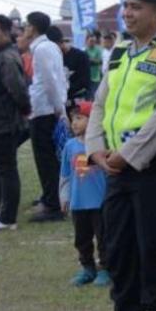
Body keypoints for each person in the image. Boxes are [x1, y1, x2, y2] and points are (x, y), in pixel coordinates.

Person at [85, 0, 156, 311]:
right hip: (116, 169)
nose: (127, 14)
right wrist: (94, 148)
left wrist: (127, 155)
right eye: (126, 6)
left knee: (153, 257)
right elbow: (101, 102)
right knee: (118, 254)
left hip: (152, 170)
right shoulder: (119, 53)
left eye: (136, 7)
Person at [0, 14, 31, 231]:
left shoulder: (6, 58)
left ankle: (7, 218)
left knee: (5, 170)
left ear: (6, 32)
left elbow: (18, 90)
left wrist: (24, 111)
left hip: (3, 124)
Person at [60, 100, 111, 287]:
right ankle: (87, 268)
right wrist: (64, 196)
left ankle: (106, 268)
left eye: (80, 118)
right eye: (73, 118)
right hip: (78, 203)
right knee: (82, 238)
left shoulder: (102, 144)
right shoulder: (70, 146)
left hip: (99, 201)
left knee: (104, 236)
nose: (74, 122)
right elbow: (65, 174)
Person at [24, 11, 67, 222]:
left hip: (44, 110)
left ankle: (53, 204)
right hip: (47, 108)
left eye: (26, 26)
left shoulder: (42, 48)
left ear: (32, 27)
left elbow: (50, 80)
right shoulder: (48, 47)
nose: (24, 29)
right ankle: (51, 196)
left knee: (46, 159)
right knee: (49, 158)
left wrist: (59, 107)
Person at [47, 27, 90, 108]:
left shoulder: (80, 56)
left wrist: (64, 90)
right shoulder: (52, 57)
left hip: (76, 100)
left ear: (60, 42)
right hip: (58, 101)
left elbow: (85, 81)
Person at [85, 32, 104, 97]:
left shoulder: (98, 50)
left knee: (94, 96)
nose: (92, 43)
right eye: (91, 41)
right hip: (86, 77)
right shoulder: (84, 50)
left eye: (94, 41)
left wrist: (89, 60)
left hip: (96, 77)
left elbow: (99, 61)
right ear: (86, 41)